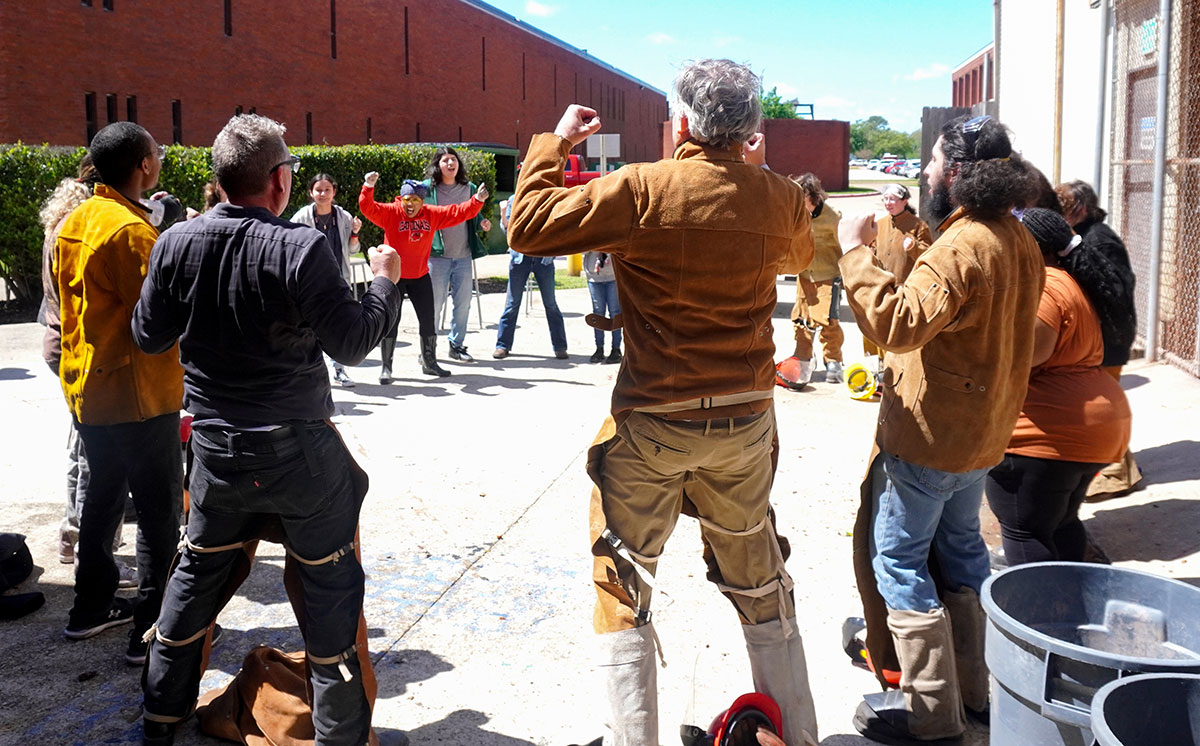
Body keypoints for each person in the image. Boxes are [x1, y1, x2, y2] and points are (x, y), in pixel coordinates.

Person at [508, 59, 820, 745]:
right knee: (763, 584)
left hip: (655, 420)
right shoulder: (781, 197)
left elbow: (526, 226)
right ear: (751, 129)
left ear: (681, 122)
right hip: (744, 422)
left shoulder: (644, 188)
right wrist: (756, 169)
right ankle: (799, 733)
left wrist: (556, 141)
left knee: (623, 587)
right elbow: (800, 251)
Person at [132, 113, 403, 746]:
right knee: (330, 590)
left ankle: (159, 723)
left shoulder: (175, 242)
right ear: (279, 183)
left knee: (193, 583)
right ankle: (341, 737)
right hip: (297, 453)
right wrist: (384, 281)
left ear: (220, 178)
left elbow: (149, 335)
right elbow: (355, 341)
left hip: (216, 450)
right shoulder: (299, 246)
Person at [839, 114, 1043, 745]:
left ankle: (932, 717)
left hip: (931, 444)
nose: (924, 171)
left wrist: (852, 248)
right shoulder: (1017, 239)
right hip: (981, 441)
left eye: (930, 162)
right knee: (963, 558)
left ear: (955, 172)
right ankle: (978, 696)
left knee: (899, 563)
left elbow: (898, 324)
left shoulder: (962, 247)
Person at [55, 122, 184, 667]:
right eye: (155, 154)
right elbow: (158, 316)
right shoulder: (131, 234)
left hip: (88, 390)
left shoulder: (77, 220)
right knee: (158, 514)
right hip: (139, 396)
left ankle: (89, 607)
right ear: (144, 167)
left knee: (103, 495)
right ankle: (149, 631)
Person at [984, 208, 1132, 566]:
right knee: (1062, 524)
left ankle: (1040, 618)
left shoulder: (1045, 286)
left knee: (1026, 531)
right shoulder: (1071, 280)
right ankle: (1079, 608)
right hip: (1091, 425)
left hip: (1048, 434)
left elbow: (1028, 354)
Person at [1055, 179, 1142, 499]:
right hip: (1100, 338)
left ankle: (1119, 472)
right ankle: (1119, 466)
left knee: (1102, 409)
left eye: (1064, 210)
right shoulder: (1084, 236)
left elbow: (1114, 292)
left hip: (1109, 339)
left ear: (1081, 209)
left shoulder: (1100, 240)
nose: (1060, 216)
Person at [359, 175, 487, 381]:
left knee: (428, 319)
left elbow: (457, 212)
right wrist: (369, 186)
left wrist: (477, 200)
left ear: (423, 201)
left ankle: (429, 362)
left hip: (420, 275)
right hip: (394, 278)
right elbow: (367, 207)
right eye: (407, 199)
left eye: (416, 200)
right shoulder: (391, 212)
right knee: (391, 321)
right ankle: (386, 367)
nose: (410, 205)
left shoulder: (431, 214)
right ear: (401, 199)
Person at [291, 173, 363, 387]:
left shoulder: (344, 217)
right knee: (308, 328)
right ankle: (308, 373)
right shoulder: (300, 218)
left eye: (327, 190)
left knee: (338, 328)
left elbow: (353, 250)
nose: (322, 194)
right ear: (310, 192)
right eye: (318, 190)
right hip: (310, 282)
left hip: (338, 280)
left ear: (334, 192)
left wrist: (355, 234)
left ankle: (339, 371)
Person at [423, 146, 492, 363]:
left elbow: (475, 215)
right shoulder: (427, 189)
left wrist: (482, 223)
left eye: (453, 159)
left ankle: (457, 345)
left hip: (463, 256)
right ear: (438, 165)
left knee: (463, 304)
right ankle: (428, 350)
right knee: (433, 305)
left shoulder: (469, 188)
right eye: (445, 160)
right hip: (436, 257)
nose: (450, 164)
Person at [782, 173, 844, 385]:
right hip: (805, 274)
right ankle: (803, 359)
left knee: (828, 320)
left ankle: (833, 361)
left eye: (803, 197)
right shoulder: (795, 215)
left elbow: (845, 244)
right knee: (801, 319)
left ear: (814, 196)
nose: (799, 202)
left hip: (828, 275)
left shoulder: (833, 216)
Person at [492, 194, 568, 360]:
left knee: (550, 304)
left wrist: (553, 251)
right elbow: (508, 231)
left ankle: (560, 346)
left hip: (543, 259)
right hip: (521, 259)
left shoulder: (548, 199)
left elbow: (557, 229)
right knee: (512, 304)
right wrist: (504, 212)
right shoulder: (514, 200)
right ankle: (502, 345)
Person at [583, 249, 620, 363]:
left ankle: (616, 349)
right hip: (594, 276)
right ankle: (599, 348)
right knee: (598, 313)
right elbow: (581, 249)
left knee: (615, 312)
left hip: (613, 275)